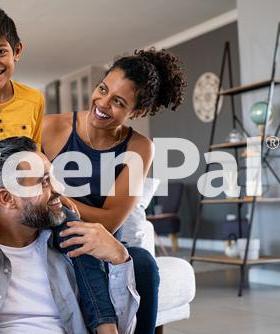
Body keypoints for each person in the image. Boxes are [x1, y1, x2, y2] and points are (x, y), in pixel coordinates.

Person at [0, 6, 121, 333]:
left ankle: (104, 323)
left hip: (25, 189)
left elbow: (35, 152)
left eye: (0, 51)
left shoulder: (33, 99)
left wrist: (53, 189)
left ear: (17, 51)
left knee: (74, 227)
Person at [0, 136, 140, 334]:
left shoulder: (74, 243)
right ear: (6, 198)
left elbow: (123, 329)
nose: (59, 189)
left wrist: (120, 258)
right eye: (43, 182)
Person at [42, 49, 187, 334]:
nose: (102, 103)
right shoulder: (51, 127)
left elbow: (110, 221)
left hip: (107, 240)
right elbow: (31, 189)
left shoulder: (139, 147)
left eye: (118, 102)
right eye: (103, 89)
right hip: (56, 235)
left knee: (144, 262)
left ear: (138, 112)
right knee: (73, 231)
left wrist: (60, 198)